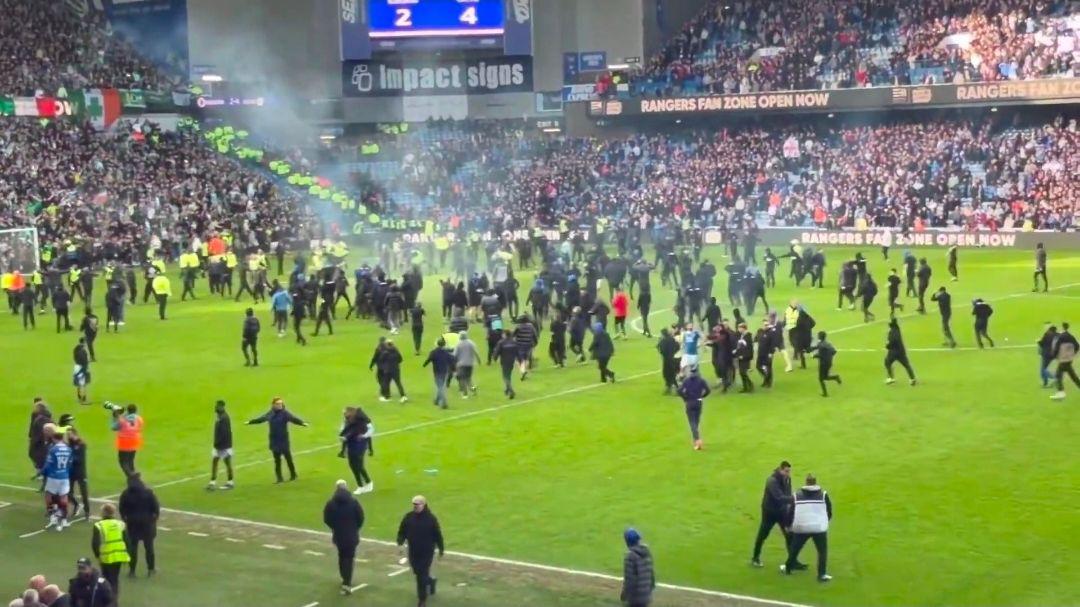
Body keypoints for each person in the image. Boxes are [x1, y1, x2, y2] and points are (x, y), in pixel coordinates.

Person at [780, 473, 833, 582]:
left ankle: (788, 568)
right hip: (818, 527)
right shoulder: (823, 495)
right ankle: (822, 574)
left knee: (795, 549)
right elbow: (829, 511)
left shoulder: (797, 495)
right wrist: (824, 521)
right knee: (822, 551)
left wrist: (788, 525)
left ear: (806, 482)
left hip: (802, 527)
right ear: (815, 482)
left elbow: (791, 512)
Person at [396, 495, 445, 607]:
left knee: (421, 575)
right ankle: (430, 581)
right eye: (414, 504)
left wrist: (441, 549)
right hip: (413, 550)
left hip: (427, 552)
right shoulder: (408, 517)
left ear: (424, 504)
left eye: (417, 504)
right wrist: (400, 543)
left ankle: (422, 600)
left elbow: (438, 535)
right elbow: (402, 532)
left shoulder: (431, 519)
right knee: (418, 572)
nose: (415, 506)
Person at [247, 397, 308, 483]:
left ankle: (293, 475)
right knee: (277, 460)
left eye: (281, 404)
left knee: (288, 458)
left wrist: (302, 423)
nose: (280, 405)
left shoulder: (285, 413)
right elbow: (262, 419)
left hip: (283, 440)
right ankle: (279, 478)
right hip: (274, 440)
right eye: (278, 404)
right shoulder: (270, 413)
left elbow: (293, 419)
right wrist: (250, 422)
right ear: (273, 405)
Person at [323, 479, 365, 595]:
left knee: (342, 556)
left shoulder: (331, 503)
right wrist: (355, 528)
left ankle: (344, 577)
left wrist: (335, 527)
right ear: (346, 487)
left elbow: (327, 519)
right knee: (349, 558)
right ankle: (347, 582)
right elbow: (361, 517)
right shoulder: (354, 502)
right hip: (351, 535)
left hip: (339, 535)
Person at [751, 461, 795, 568]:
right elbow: (778, 497)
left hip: (782, 512)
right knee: (763, 535)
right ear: (780, 469)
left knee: (789, 535)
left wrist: (790, 505)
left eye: (789, 471)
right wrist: (795, 499)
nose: (788, 474)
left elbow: (788, 493)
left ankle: (793, 561)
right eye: (786, 471)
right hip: (770, 512)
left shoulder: (787, 479)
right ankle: (755, 558)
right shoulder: (772, 481)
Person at [118, 473, 159, 578]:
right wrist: (153, 520)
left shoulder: (126, 494)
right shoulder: (148, 493)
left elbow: (122, 508)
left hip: (132, 524)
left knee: (133, 548)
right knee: (149, 547)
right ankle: (151, 569)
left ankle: (132, 571)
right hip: (147, 524)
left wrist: (125, 519)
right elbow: (155, 508)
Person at [91, 504, 130, 598]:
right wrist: (127, 554)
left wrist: (97, 555)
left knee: (106, 579)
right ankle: (114, 599)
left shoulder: (99, 525)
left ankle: (107, 599)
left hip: (106, 556)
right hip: (118, 556)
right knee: (114, 579)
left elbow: (95, 543)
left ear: (104, 512)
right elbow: (127, 541)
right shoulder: (120, 524)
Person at [42, 427, 73, 531]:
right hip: (64, 476)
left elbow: (48, 464)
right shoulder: (68, 449)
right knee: (64, 497)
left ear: (54, 438)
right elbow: (70, 463)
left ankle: (53, 516)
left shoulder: (53, 449)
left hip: (53, 477)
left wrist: (41, 472)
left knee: (48, 495)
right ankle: (64, 520)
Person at [339, 407, 375, 493]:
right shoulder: (348, 420)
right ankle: (361, 485)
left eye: (345, 413)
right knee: (352, 465)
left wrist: (370, 447)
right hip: (351, 445)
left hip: (360, 445)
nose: (344, 415)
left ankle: (367, 483)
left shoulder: (361, 421)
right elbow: (344, 430)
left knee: (358, 465)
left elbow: (368, 432)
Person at [620, 528, 655, 607]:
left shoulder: (630, 556)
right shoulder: (647, 552)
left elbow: (630, 580)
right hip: (646, 595)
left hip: (635, 598)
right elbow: (651, 574)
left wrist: (624, 594)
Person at [677, 367, 710, 450]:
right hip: (698, 402)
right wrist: (702, 396)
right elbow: (708, 390)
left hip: (690, 403)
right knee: (696, 421)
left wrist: (685, 398)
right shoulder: (701, 380)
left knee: (692, 422)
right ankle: (696, 440)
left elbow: (679, 391)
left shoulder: (686, 381)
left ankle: (697, 440)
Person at [109, 404, 143, 477]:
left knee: (123, 461)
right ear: (136, 410)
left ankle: (131, 475)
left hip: (124, 442)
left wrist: (115, 417)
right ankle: (133, 474)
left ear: (127, 411)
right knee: (131, 460)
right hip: (135, 441)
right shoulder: (139, 419)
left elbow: (113, 427)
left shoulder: (122, 420)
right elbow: (139, 427)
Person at [208, 400, 234, 490]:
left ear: (222, 407)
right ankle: (212, 482)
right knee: (215, 461)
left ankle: (230, 482)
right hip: (218, 445)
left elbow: (225, 433)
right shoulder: (219, 416)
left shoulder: (224, 418)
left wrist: (219, 443)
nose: (216, 407)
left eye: (217, 406)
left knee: (227, 463)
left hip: (224, 445)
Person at [66, 424, 90, 522]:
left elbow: (79, 459)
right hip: (71, 472)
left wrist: (69, 458)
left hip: (80, 472)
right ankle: (76, 505)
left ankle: (87, 512)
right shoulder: (69, 445)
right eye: (67, 435)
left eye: (69, 434)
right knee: (68, 492)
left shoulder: (81, 444)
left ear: (74, 434)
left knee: (84, 493)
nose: (68, 436)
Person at [1050, 323, 1079, 401]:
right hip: (1069, 359)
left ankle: (1061, 392)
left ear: (1062, 328)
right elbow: (1077, 346)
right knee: (1073, 376)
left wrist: (1054, 355)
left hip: (1063, 360)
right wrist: (1072, 354)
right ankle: (1061, 392)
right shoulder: (1071, 336)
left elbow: (1056, 347)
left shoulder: (1060, 337)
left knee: (1058, 375)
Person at [808, 331, 841, 397]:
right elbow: (834, 351)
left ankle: (825, 394)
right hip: (829, 362)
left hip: (823, 364)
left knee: (821, 379)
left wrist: (814, 356)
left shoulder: (821, 345)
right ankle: (835, 377)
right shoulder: (827, 343)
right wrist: (809, 349)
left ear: (819, 337)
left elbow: (820, 355)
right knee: (825, 377)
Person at [885, 319, 917, 385]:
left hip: (893, 352)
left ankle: (890, 378)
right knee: (907, 365)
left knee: (887, 362)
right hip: (901, 351)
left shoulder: (891, 332)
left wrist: (887, 346)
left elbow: (893, 341)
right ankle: (912, 379)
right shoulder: (897, 329)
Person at [452, 332, 480, 398]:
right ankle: (473, 389)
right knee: (468, 378)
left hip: (461, 364)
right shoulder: (471, 343)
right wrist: (478, 360)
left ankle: (465, 394)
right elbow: (475, 352)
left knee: (462, 379)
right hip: (470, 364)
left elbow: (455, 355)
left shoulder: (458, 344)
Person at [495, 330, 520, 399]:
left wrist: (495, 357)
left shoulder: (501, 342)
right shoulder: (514, 342)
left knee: (505, 377)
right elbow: (517, 351)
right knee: (508, 375)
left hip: (504, 361)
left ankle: (511, 391)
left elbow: (497, 351)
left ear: (505, 335)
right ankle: (507, 389)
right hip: (511, 361)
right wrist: (519, 359)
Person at [657, 328, 680, 394]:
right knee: (672, 374)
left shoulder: (663, 341)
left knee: (667, 374)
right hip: (673, 359)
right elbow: (678, 346)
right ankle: (669, 388)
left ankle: (676, 389)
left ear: (663, 334)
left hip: (667, 360)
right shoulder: (672, 339)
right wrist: (673, 352)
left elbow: (661, 350)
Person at [73, 339, 91, 405]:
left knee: (78, 383)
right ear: (84, 342)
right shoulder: (83, 351)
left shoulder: (76, 349)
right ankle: (83, 399)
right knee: (83, 383)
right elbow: (84, 360)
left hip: (76, 366)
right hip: (82, 367)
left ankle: (79, 395)